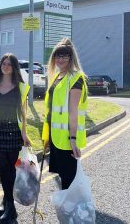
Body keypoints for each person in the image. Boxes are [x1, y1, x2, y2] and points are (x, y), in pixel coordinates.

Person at [0, 53, 31, 224]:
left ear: (14, 67)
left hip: (13, 132)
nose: (6, 66)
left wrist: (24, 134)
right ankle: (6, 202)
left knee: (11, 169)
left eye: (10, 64)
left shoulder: (21, 87)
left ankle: (10, 208)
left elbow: (23, 113)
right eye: (4, 63)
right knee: (3, 169)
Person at [42, 38, 88, 190]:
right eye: (57, 56)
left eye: (64, 56)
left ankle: (71, 212)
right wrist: (47, 137)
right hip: (56, 137)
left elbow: (73, 111)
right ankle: (67, 211)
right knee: (63, 178)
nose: (60, 59)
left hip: (67, 139)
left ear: (70, 58)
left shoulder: (76, 78)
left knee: (69, 181)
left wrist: (73, 140)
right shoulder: (56, 76)